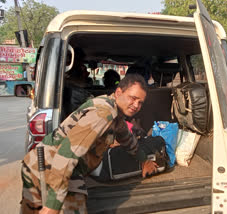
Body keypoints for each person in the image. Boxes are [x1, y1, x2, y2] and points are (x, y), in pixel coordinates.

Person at [21, 74, 158, 214]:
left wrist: (144, 160)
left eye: (140, 102)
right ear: (118, 93)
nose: (136, 105)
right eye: (133, 98)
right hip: (49, 166)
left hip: (52, 165)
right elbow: (66, 155)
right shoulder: (103, 113)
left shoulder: (116, 114)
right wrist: (53, 205)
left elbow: (128, 140)